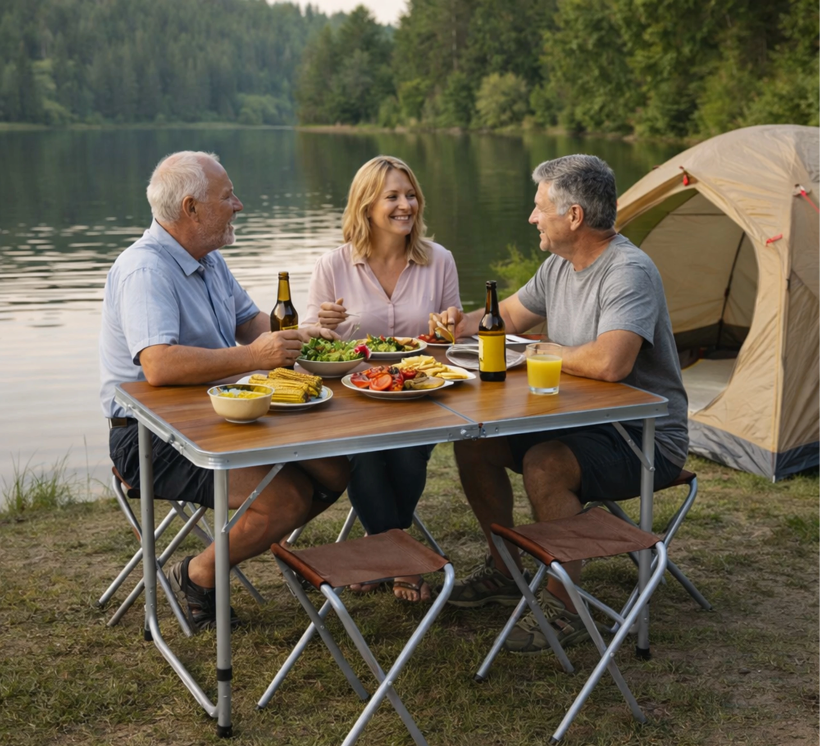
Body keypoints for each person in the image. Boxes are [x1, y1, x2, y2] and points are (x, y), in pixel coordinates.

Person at [431, 154, 689, 652]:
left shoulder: (628, 271)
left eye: (538, 207)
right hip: (579, 421)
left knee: (545, 464)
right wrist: (456, 324)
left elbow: (611, 363)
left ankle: (564, 605)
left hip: (643, 437)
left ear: (573, 217)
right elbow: (503, 316)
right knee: (475, 443)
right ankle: (506, 569)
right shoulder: (558, 266)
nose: (531, 218)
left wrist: (539, 350)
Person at [99, 150, 349, 633]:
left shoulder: (208, 260)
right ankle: (197, 575)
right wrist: (254, 357)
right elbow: (159, 364)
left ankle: (233, 548)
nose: (239, 204)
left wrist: (304, 335)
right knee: (287, 499)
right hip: (149, 436)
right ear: (191, 209)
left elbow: (249, 324)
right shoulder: (145, 270)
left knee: (337, 470)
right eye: (227, 196)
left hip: (219, 415)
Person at [303, 155, 462, 602]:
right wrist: (324, 323)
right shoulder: (332, 266)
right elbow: (316, 349)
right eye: (392, 196)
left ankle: (381, 553)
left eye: (410, 195)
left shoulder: (440, 260)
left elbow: (444, 345)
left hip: (417, 393)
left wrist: (451, 323)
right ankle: (397, 555)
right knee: (365, 456)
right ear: (366, 205)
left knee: (409, 455)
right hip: (353, 398)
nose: (405, 205)